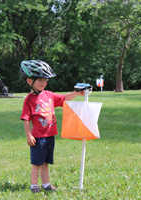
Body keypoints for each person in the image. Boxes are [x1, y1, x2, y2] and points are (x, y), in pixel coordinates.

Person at [20, 60, 84, 193]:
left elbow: (63, 99)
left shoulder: (49, 95)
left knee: (45, 163)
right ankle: (33, 185)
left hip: (50, 136)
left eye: (46, 80)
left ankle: (46, 184)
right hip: (38, 137)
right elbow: (26, 119)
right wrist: (28, 135)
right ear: (30, 81)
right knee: (37, 163)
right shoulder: (29, 100)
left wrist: (77, 92)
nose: (44, 83)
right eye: (40, 80)